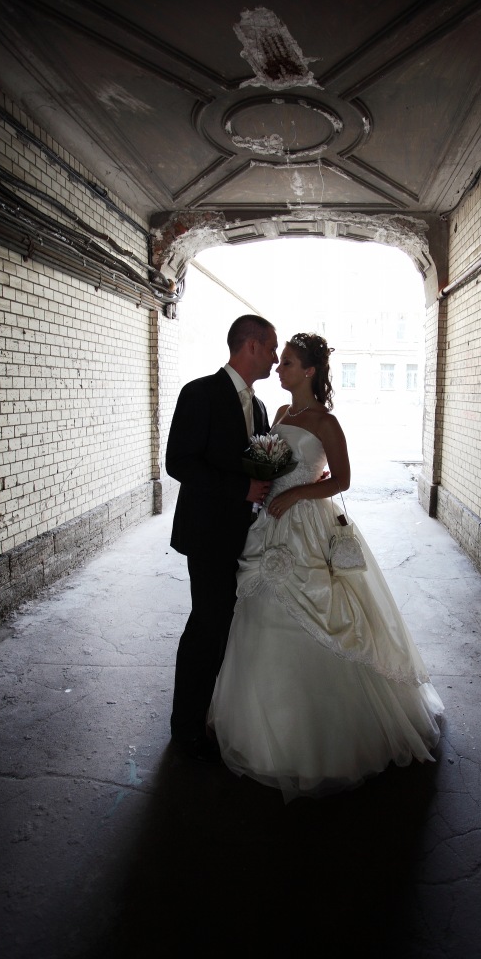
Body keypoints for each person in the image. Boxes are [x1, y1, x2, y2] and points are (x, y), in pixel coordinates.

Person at [210, 332, 443, 800]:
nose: (279, 368)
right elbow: (267, 463)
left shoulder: (326, 423)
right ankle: (263, 730)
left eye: (288, 363)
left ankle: (321, 741)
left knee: (318, 614)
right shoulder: (279, 413)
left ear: (310, 371)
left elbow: (343, 479)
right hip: (270, 523)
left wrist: (298, 492)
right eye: (280, 361)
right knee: (258, 615)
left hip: (307, 526)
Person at [166, 314, 278, 761]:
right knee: (207, 626)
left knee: (230, 627)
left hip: (246, 536)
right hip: (208, 533)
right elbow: (178, 462)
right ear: (250, 346)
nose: (275, 358)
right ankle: (185, 728)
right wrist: (240, 489)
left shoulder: (261, 407)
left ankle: (216, 713)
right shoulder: (199, 393)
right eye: (271, 348)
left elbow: (257, 464)